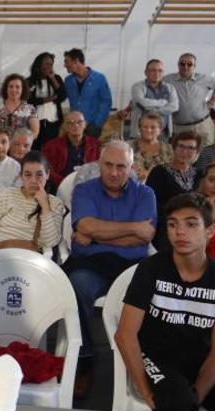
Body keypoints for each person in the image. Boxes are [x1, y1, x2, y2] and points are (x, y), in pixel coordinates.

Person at [115, 192, 215, 411]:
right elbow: (125, 334)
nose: (180, 232)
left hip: (202, 360)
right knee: (176, 405)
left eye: (191, 224)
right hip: (158, 358)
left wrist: (197, 395)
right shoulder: (150, 270)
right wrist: (145, 390)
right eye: (173, 225)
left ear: (210, 231)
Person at [65, 140, 156, 396]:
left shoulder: (145, 194)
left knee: (153, 296)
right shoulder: (84, 190)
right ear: (99, 164)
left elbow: (144, 236)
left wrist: (96, 235)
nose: (114, 172)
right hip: (91, 264)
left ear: (131, 167)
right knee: (77, 287)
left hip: (131, 267)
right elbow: (85, 227)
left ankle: (145, 363)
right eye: (108, 165)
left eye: (121, 167)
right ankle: (85, 361)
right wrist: (132, 227)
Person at [0, 151, 65, 254]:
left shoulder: (55, 203)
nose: (33, 180)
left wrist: (45, 205)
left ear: (48, 174)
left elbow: (50, 241)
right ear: (21, 176)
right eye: (28, 175)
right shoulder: (8, 194)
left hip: (27, 257)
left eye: (39, 175)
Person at [146, 131, 202, 251]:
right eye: (181, 146)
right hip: (166, 226)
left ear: (197, 152)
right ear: (174, 148)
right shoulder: (159, 172)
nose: (185, 152)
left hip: (194, 224)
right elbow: (151, 204)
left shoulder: (200, 174)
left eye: (191, 148)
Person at [164, 53, 215, 148]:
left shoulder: (204, 79)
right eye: (182, 63)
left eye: (189, 64)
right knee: (182, 156)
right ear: (178, 64)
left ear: (194, 66)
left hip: (202, 126)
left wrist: (211, 102)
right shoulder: (167, 80)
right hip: (180, 128)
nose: (185, 66)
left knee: (206, 154)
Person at [120, 59, 179, 140]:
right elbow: (142, 102)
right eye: (153, 70)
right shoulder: (137, 86)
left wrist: (153, 110)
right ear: (146, 72)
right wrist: (164, 102)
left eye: (160, 70)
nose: (157, 73)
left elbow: (174, 107)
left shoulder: (170, 88)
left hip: (163, 135)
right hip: (140, 134)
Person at [42, 110, 101, 189]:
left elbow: (100, 168)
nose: (75, 125)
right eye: (70, 123)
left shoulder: (96, 145)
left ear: (85, 124)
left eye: (79, 122)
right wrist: (64, 183)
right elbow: (45, 168)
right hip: (61, 186)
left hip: (89, 186)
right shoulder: (52, 146)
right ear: (65, 126)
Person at [62, 48, 112, 138]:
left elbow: (106, 102)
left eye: (67, 61)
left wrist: (97, 123)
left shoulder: (99, 78)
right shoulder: (68, 81)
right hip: (74, 126)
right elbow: (62, 97)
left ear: (76, 61)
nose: (65, 65)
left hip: (92, 126)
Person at [27, 52, 66, 150]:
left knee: (51, 149)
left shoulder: (56, 78)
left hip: (53, 121)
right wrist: (46, 99)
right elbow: (28, 100)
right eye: (46, 63)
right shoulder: (30, 81)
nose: (49, 66)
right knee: (35, 149)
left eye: (51, 64)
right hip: (35, 122)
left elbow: (62, 96)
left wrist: (52, 78)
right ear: (39, 64)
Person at [129, 112, 174, 182]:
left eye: (153, 127)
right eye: (145, 127)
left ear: (160, 130)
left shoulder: (169, 149)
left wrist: (151, 174)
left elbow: (173, 173)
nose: (148, 130)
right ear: (139, 128)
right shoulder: (127, 147)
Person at [0, 74, 39, 138]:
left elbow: (35, 132)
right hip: (0, 146)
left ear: (22, 90)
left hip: (21, 146)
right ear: (6, 89)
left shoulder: (30, 109)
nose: (14, 90)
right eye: (11, 86)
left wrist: (21, 144)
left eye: (17, 87)